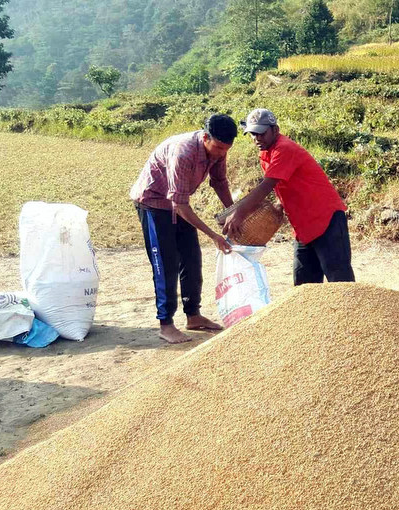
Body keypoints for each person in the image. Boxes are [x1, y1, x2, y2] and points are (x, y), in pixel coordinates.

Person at [130, 113, 236, 344]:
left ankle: (194, 315)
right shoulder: (184, 151)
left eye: (226, 149)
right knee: (166, 264)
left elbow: (219, 182)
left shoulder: (219, 151)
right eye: (218, 147)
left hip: (177, 203)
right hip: (153, 203)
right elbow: (179, 204)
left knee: (192, 259)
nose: (221, 153)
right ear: (206, 137)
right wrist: (213, 235)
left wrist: (233, 212)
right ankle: (165, 324)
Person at [223, 108, 355, 285]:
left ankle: (350, 313)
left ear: (275, 130)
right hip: (303, 226)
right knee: (303, 285)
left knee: (340, 281)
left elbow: (266, 186)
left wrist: (239, 213)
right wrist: (279, 203)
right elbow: (282, 183)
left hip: (326, 219)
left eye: (261, 133)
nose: (257, 138)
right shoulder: (266, 153)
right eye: (253, 133)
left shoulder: (284, 149)